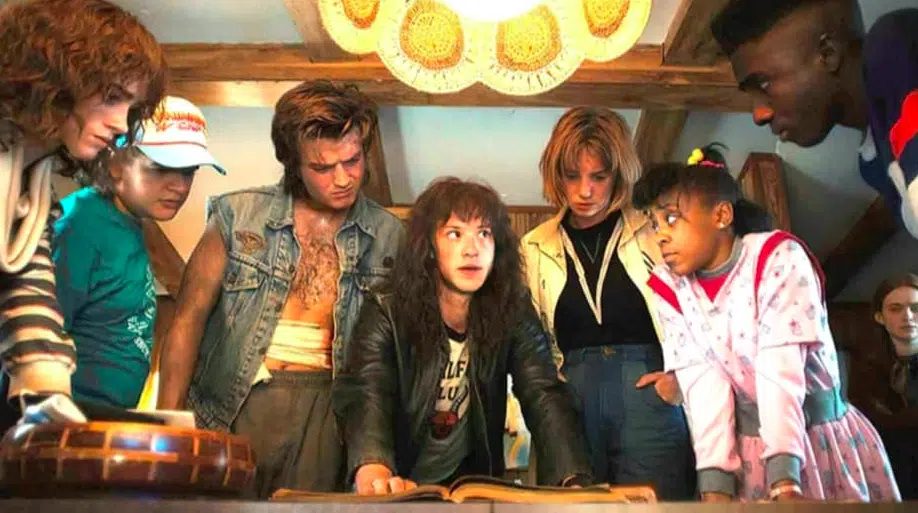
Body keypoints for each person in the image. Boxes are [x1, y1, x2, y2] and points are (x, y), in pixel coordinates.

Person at [157, 80, 405, 497]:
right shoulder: (237, 216)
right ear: (293, 163)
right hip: (234, 405)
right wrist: (167, 427)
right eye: (322, 168)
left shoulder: (390, 235)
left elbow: (386, 363)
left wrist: (375, 452)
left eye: (353, 160)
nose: (343, 178)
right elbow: (187, 321)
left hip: (330, 414)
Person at [633, 144, 900, 502]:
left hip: (813, 443)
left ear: (721, 215)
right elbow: (703, 383)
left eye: (670, 219)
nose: (659, 235)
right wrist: (715, 484)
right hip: (748, 456)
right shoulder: (671, 288)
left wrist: (785, 480)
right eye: (653, 224)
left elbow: (780, 371)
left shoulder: (778, 258)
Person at [334, 177, 593, 495]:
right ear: (429, 246)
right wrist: (373, 467)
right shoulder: (386, 308)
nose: (472, 250)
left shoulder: (511, 307)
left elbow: (542, 391)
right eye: (455, 234)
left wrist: (572, 479)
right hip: (402, 476)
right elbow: (368, 389)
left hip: (470, 483)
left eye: (484, 234)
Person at [0, 0, 165, 428]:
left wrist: (53, 405)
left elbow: (28, 299)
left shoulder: (33, 189)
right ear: (53, 81)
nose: (122, 124)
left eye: (130, 106)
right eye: (111, 97)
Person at [520, 107, 694, 499]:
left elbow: (698, 309)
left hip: (648, 388)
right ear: (555, 175)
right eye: (572, 175)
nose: (585, 191)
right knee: (573, 506)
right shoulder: (533, 246)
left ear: (618, 174)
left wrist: (682, 378)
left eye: (599, 177)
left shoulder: (652, 230)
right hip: (571, 394)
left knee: (656, 505)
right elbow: (528, 342)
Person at [52, 96, 225, 410]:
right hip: (68, 419)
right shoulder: (79, 225)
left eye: (189, 171)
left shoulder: (130, 222)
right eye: (161, 168)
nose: (180, 186)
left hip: (109, 418)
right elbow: (35, 337)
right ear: (115, 164)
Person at [710, 1, 918, 237]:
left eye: (763, 84)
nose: (759, 115)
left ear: (827, 53)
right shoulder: (872, 161)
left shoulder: (895, 44)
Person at [847, 275, 918, 499]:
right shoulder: (867, 366)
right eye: (896, 309)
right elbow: (868, 420)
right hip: (887, 465)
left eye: (915, 308)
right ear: (879, 317)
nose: (908, 317)